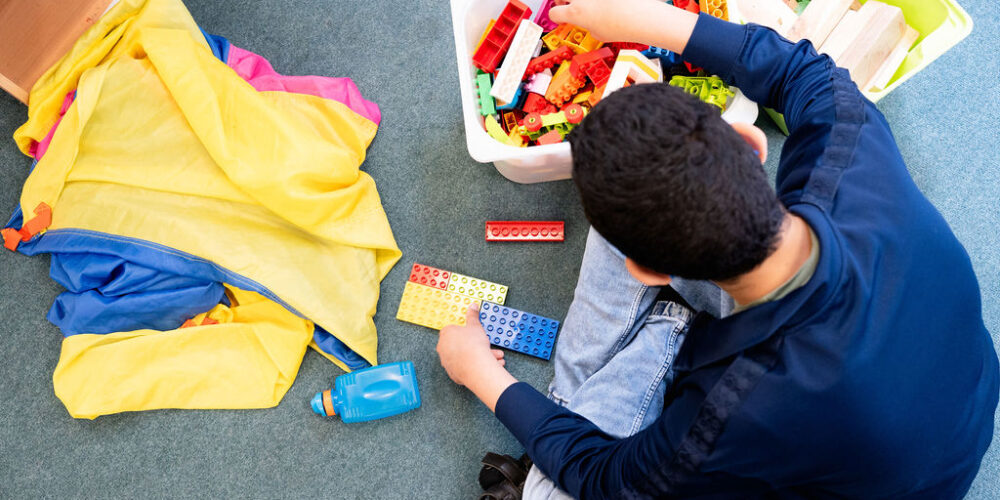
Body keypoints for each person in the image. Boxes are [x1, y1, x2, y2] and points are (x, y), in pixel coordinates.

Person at [436, 0, 999, 497]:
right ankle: (635, 357)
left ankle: (635, 355)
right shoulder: (848, 144)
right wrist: (643, 17)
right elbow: (797, 68)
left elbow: (607, 479)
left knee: (546, 491)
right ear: (751, 145)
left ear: (647, 270)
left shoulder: (727, 411)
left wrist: (483, 375)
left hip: (895, 476)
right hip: (940, 388)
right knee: (639, 184)